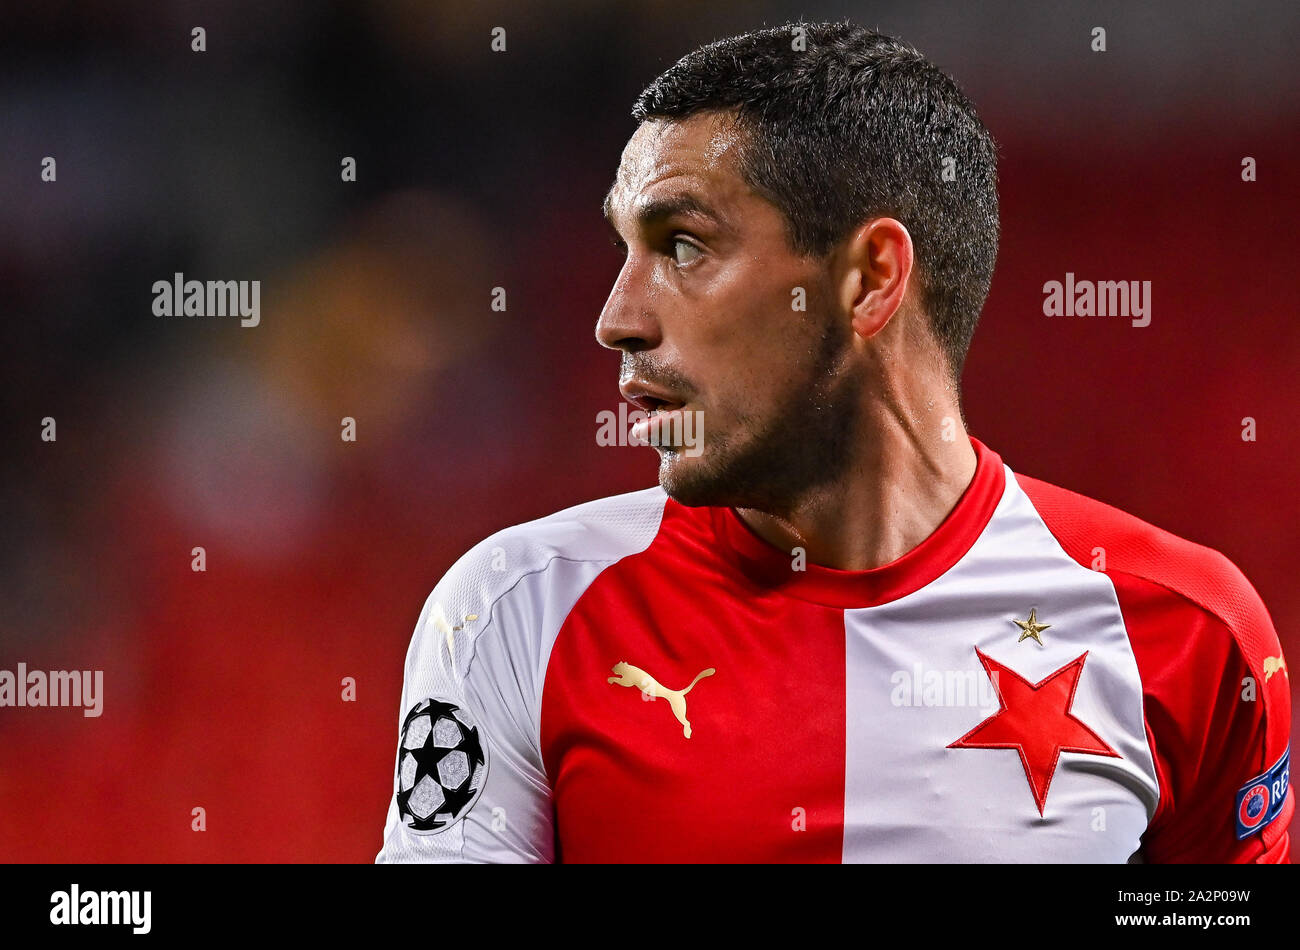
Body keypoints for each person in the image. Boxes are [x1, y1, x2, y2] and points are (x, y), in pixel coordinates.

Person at [377, 20, 1290, 863]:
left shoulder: (1190, 636)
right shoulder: (519, 614)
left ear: (868, 279)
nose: (617, 319)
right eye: (623, 250)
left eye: (684, 245)